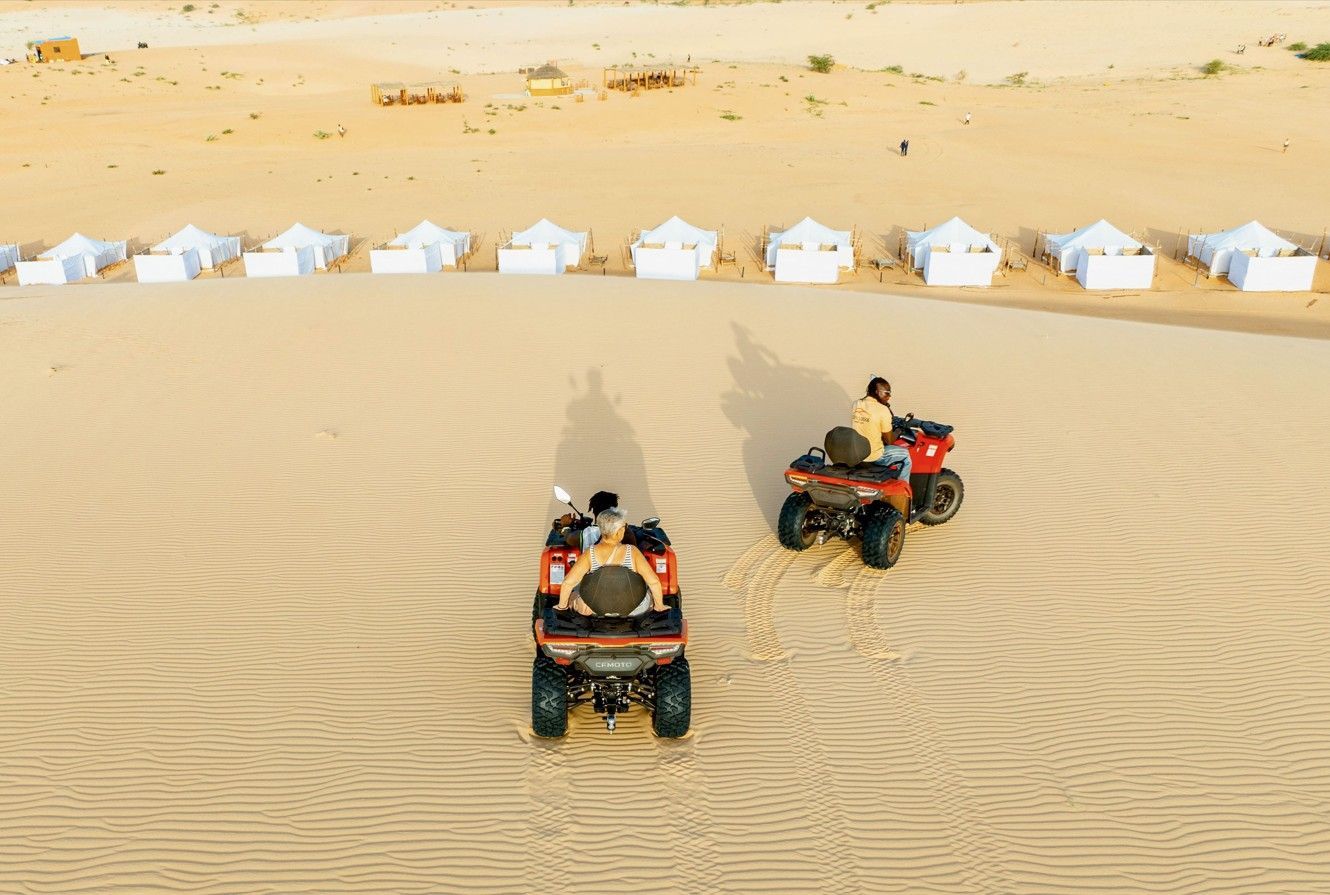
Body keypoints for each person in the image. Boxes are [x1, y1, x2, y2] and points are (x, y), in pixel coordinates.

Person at [556, 507, 666, 616]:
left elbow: (568, 583)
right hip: (634, 610)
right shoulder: (632, 552)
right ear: (618, 532)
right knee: (650, 596)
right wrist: (659, 607)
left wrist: (562, 607)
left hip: (594, 610)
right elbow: (654, 582)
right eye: (624, 526)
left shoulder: (590, 553)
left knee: (574, 595)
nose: (625, 529)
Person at [851, 376, 912, 483]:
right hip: (874, 456)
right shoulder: (883, 410)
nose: (889, 396)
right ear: (876, 392)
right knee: (906, 456)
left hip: (856, 452)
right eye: (887, 393)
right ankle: (902, 492)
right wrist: (898, 431)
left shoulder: (856, 404)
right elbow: (890, 441)